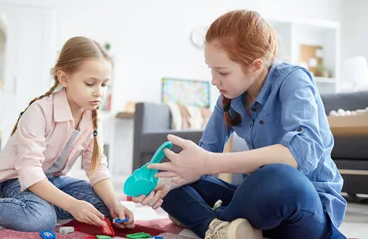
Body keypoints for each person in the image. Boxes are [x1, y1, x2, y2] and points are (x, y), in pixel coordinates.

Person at [132, 10, 347, 239]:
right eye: (211, 70)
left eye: (222, 72)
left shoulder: (294, 80)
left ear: (255, 66)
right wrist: (168, 181)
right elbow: (205, 156)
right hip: (255, 205)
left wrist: (207, 163)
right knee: (175, 189)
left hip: (301, 205)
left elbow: (300, 152)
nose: (214, 80)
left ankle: (208, 220)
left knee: (278, 178)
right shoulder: (230, 96)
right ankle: (221, 230)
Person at [0, 36, 135, 232]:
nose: (99, 92)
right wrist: (71, 205)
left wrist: (115, 204)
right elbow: (29, 172)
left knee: (103, 208)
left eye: (104, 85)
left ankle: (40, 206)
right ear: (64, 79)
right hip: (16, 180)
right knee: (41, 220)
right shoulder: (40, 111)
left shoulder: (92, 116)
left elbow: (96, 168)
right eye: (90, 83)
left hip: (54, 180)